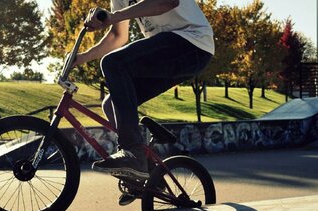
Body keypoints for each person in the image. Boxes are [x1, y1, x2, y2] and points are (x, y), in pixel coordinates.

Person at [74, 0, 214, 180]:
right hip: (168, 52)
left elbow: (168, 3)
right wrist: (83, 57)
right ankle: (149, 176)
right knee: (111, 104)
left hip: (192, 43)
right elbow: (118, 36)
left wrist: (114, 16)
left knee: (113, 64)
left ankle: (132, 151)